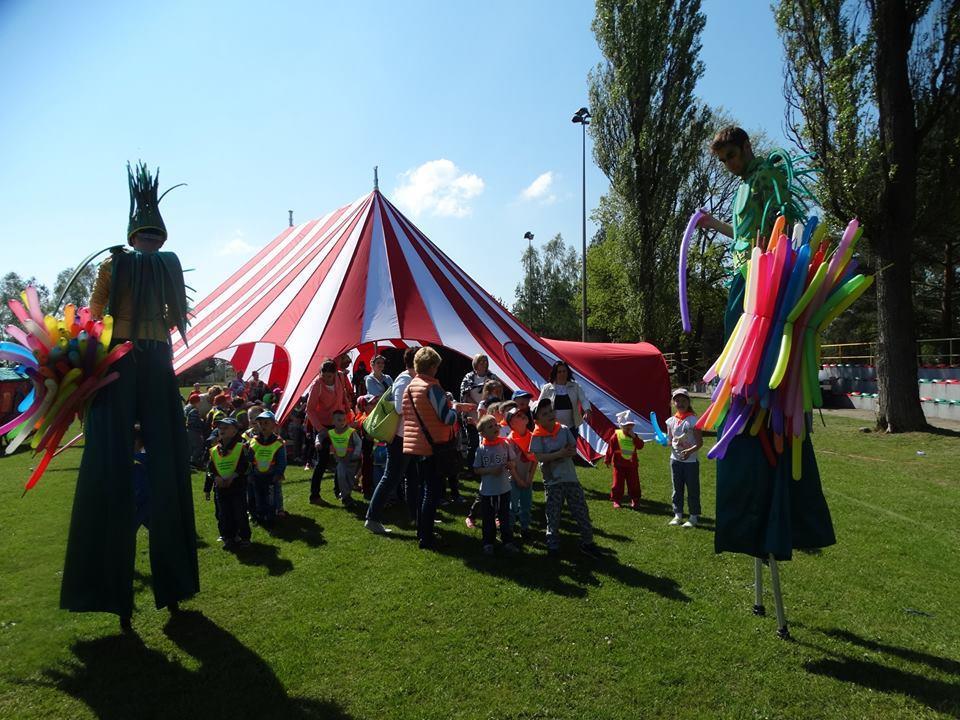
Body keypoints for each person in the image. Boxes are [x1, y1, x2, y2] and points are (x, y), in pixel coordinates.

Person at [60, 162, 198, 630]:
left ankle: (108, 592)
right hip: (158, 360)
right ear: (158, 233)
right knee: (169, 464)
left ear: (133, 231)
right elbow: (179, 313)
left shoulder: (114, 262)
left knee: (105, 465)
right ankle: (175, 586)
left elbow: (93, 316)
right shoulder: (170, 263)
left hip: (120, 361)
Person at [697, 126, 835, 560]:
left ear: (747, 148)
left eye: (733, 156)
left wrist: (765, 269)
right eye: (724, 160)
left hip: (759, 280)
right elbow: (741, 233)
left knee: (753, 356)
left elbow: (777, 226)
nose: (730, 165)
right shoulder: (741, 189)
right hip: (741, 277)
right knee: (732, 348)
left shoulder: (765, 177)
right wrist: (712, 223)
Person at [401, 347, 469, 550]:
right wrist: (456, 409)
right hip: (434, 446)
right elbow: (446, 418)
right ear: (432, 366)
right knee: (432, 492)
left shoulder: (411, 387)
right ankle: (426, 536)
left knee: (423, 490)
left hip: (417, 445)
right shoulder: (432, 388)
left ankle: (422, 531)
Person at [529, 399, 599, 558]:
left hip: (570, 479)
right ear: (537, 420)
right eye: (544, 414)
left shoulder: (564, 429)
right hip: (553, 482)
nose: (550, 415)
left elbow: (572, 450)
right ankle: (553, 545)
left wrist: (558, 454)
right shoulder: (537, 436)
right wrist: (559, 454)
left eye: (550, 411)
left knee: (581, 511)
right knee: (553, 514)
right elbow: (539, 456)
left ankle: (587, 543)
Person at [365, 347, 418, 535]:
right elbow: (400, 408)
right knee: (391, 477)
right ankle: (372, 518)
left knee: (412, 477)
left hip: (408, 436)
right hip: (398, 437)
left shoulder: (411, 378)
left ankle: (417, 516)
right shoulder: (404, 379)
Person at [306, 359, 352, 504]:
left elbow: (343, 395)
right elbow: (310, 410)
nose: (326, 379)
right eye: (323, 375)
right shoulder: (317, 385)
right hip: (322, 425)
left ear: (334, 374)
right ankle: (314, 495)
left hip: (338, 423)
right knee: (323, 460)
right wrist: (321, 429)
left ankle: (340, 491)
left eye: (329, 376)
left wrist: (347, 409)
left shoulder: (340, 377)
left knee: (342, 457)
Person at [472, 415, 519, 555]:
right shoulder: (481, 449)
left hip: (504, 488)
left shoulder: (504, 444)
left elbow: (514, 461)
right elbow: (476, 469)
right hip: (488, 491)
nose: (495, 428)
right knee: (488, 518)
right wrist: (491, 470)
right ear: (482, 433)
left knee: (505, 517)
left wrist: (511, 464)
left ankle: (507, 542)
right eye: (490, 426)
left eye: (496, 425)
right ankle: (488, 543)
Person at [203, 417, 251, 550]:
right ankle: (228, 537)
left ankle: (244, 538)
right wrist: (213, 480)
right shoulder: (214, 450)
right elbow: (210, 469)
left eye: (226, 427)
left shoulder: (242, 447)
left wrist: (234, 476)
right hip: (220, 489)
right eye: (220, 427)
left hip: (237, 487)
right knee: (224, 514)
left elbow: (246, 467)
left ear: (235, 430)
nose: (222, 430)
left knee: (240, 513)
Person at [665, 389, 702, 528]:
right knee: (677, 489)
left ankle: (693, 517)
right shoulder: (671, 421)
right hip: (675, 460)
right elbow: (670, 441)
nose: (680, 403)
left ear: (688, 402)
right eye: (677, 400)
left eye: (684, 400)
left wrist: (689, 451)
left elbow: (700, 443)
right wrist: (664, 441)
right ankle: (678, 515)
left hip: (691, 462)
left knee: (692, 489)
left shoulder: (693, 420)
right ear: (673, 403)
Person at [459, 354, 501, 471]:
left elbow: (498, 394)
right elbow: (464, 395)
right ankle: (472, 468)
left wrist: (486, 406)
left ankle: (488, 465)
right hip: (472, 414)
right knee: (473, 443)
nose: (483, 364)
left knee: (488, 441)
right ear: (475, 363)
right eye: (481, 361)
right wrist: (479, 407)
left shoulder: (492, 376)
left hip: (489, 415)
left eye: (485, 362)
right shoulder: (469, 377)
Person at [247, 410, 286, 526]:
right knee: (258, 495)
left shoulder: (278, 442)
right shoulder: (254, 441)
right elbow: (250, 458)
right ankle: (259, 515)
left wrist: (278, 473)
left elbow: (282, 460)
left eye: (266, 423)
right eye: (260, 423)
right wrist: (249, 473)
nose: (263, 426)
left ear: (274, 425)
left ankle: (271, 516)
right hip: (257, 474)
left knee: (272, 496)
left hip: (272, 474)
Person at [604, 411, 644, 510]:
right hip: (619, 465)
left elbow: (640, 446)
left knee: (634, 483)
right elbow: (610, 448)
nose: (628, 428)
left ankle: (635, 499)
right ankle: (616, 500)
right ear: (621, 426)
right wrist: (608, 459)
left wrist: (634, 437)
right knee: (617, 483)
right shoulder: (616, 436)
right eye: (626, 425)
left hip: (632, 465)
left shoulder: (634, 436)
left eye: (630, 425)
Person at [537, 361, 591, 433]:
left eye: (564, 371)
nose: (562, 374)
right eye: (559, 372)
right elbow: (540, 405)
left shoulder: (575, 386)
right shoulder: (547, 388)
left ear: (567, 372)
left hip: (571, 427)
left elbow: (584, 400)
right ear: (555, 373)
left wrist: (587, 410)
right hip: (552, 427)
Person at [506, 407, 535, 542]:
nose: (522, 415)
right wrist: (518, 480)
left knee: (526, 505)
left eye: (523, 414)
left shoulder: (532, 437)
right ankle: (509, 530)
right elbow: (510, 465)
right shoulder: (510, 441)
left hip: (527, 478)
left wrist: (529, 478)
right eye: (518, 415)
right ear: (511, 423)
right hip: (513, 479)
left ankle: (525, 528)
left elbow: (534, 461)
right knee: (512, 506)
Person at [329, 409, 362, 507]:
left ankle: (346, 494)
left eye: (344, 420)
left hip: (352, 461)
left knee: (350, 479)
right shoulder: (331, 432)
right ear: (333, 421)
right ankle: (345, 497)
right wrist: (317, 441)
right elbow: (321, 435)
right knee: (341, 477)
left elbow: (358, 443)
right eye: (339, 420)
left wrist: (356, 454)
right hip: (341, 461)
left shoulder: (351, 432)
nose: (342, 422)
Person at [184, 394, 206, 469]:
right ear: (196, 402)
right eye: (199, 401)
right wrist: (202, 422)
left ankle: (189, 462)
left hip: (188, 430)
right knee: (198, 446)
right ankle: (194, 462)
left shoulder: (187, 408)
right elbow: (195, 422)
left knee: (190, 447)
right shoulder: (194, 410)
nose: (200, 403)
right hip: (193, 430)